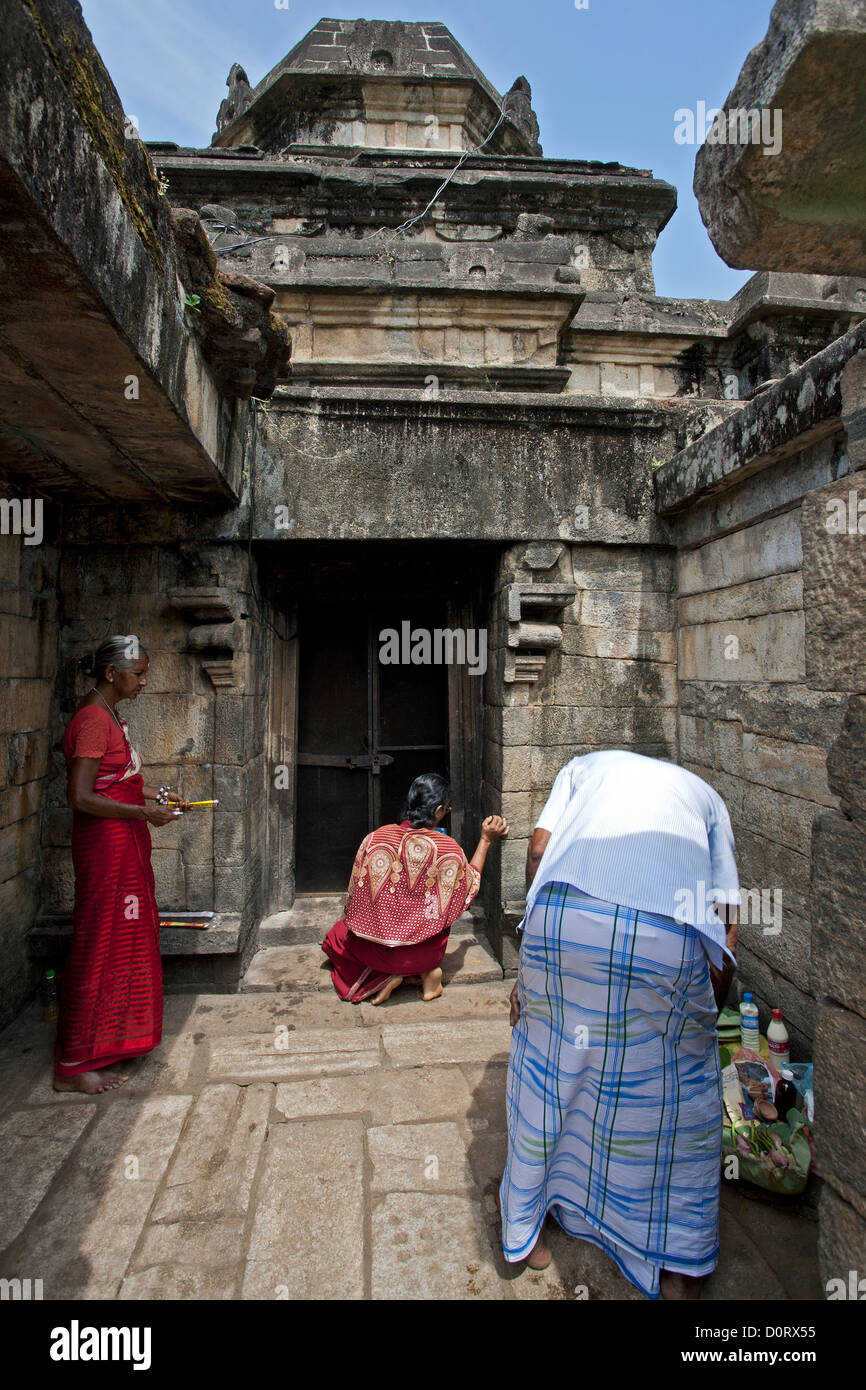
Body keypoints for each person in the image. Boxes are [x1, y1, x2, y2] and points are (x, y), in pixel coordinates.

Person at [499, 749, 739, 1299]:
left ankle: (526, 1223)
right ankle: (676, 1259)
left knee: (548, 1064)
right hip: (663, 932)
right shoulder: (705, 799)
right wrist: (702, 1022)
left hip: (563, 916)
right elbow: (726, 915)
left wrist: (533, 971)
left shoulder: (584, 768)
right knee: (674, 1093)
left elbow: (538, 852)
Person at [54, 636, 189, 1095]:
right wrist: (141, 813)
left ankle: (111, 1041)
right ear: (111, 673)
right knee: (99, 944)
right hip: (106, 847)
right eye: (138, 673)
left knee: (123, 939)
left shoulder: (108, 715)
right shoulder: (93, 721)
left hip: (123, 842)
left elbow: (119, 782)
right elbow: (80, 796)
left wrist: (155, 796)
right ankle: (72, 1064)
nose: (144, 682)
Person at [322, 772, 508, 1005]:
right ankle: (424, 974)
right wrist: (486, 839)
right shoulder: (448, 849)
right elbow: (469, 887)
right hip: (425, 956)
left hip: (375, 954)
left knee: (335, 938)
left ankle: (387, 975)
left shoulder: (374, 839)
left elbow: (352, 903)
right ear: (439, 810)